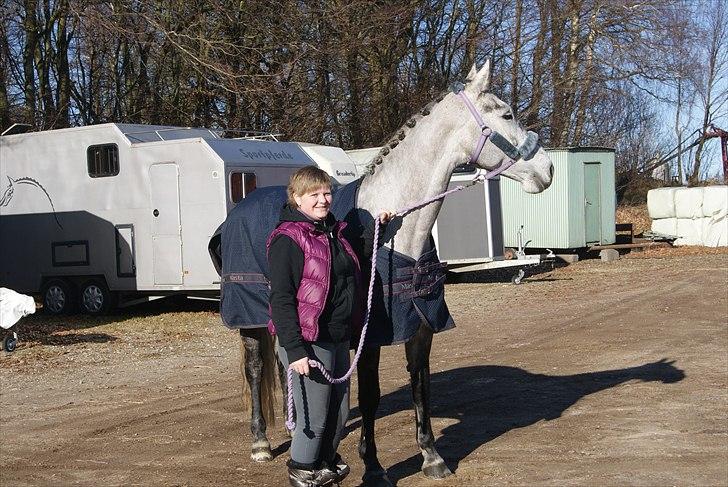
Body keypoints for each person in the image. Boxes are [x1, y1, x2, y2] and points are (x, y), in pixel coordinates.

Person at [267, 166, 391, 487]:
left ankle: (323, 470)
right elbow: (281, 300)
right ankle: (303, 475)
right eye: (314, 195)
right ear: (296, 198)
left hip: (336, 337)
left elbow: (356, 263)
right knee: (315, 421)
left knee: (338, 419)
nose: (323, 200)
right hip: (308, 342)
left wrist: (383, 230)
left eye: (326, 193)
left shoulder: (332, 231)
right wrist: (295, 351)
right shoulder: (288, 239)